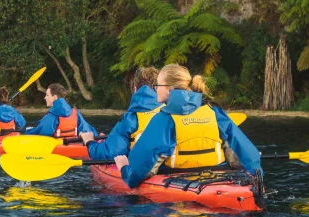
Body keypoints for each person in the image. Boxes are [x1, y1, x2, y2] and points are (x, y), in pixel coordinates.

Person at [112, 64, 261, 189]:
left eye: (158, 85)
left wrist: (125, 169)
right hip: (217, 178)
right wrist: (256, 177)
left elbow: (139, 169)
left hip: (177, 184)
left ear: (169, 89)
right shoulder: (214, 111)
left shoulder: (164, 119)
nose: (155, 89)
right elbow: (247, 152)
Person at [79, 67, 161, 160]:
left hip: (142, 169)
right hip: (173, 169)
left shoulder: (131, 119)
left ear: (135, 89)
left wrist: (90, 142)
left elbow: (108, 153)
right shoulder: (173, 113)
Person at [24, 83, 97, 138]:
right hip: (71, 145)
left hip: (57, 148)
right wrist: (96, 136)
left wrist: (27, 131)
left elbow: (42, 132)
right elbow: (86, 129)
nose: (45, 98)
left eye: (47, 95)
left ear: (55, 97)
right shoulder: (75, 112)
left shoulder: (51, 116)